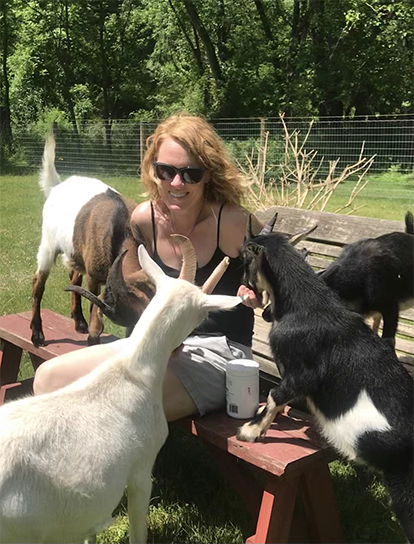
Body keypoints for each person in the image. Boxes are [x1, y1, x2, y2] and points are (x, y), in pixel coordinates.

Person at [33, 113, 263, 421]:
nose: (176, 183)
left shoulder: (233, 222)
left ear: (209, 173)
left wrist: (260, 293)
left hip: (221, 354)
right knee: (48, 379)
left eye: (190, 173)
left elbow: (284, 273)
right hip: (157, 343)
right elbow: (126, 286)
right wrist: (147, 318)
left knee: (112, 406)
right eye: (165, 170)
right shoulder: (145, 219)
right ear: (152, 169)